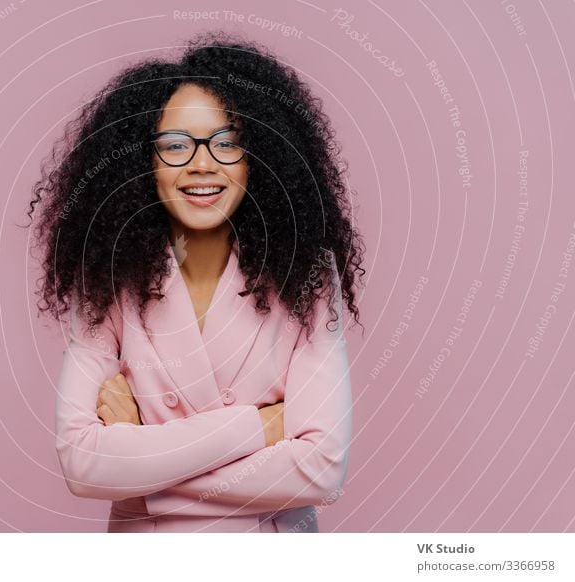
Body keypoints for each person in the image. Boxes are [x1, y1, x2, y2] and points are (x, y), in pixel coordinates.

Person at [26, 31, 365, 532]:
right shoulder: (107, 278)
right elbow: (81, 464)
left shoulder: (307, 274)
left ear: (261, 158)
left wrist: (143, 473)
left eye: (227, 143)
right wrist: (261, 426)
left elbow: (320, 470)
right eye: (175, 146)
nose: (202, 163)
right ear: (144, 162)